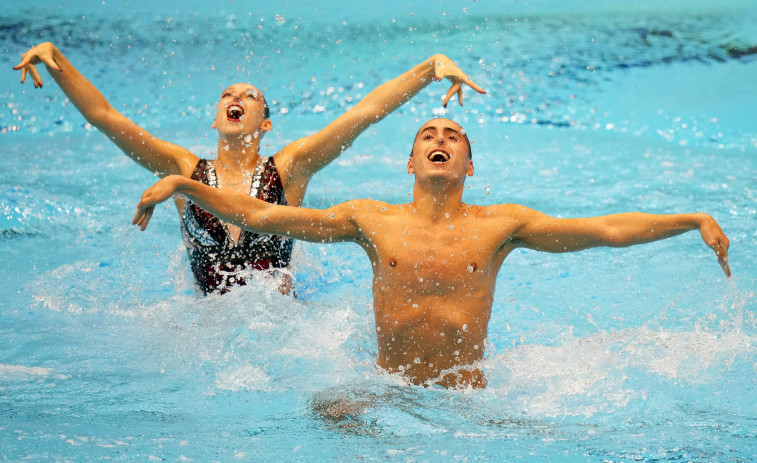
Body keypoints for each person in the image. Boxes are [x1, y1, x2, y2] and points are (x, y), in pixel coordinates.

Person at [133, 118, 731, 389]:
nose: (439, 142)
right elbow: (265, 216)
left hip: (466, 395)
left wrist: (690, 219)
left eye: (452, 138)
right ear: (412, 163)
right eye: (427, 137)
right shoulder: (369, 219)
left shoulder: (502, 225)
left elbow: (604, 230)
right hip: (383, 385)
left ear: (470, 166)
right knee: (329, 412)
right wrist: (185, 185)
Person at [14, 43, 485, 295]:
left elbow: (362, 114)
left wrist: (429, 69)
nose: (236, 99)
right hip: (204, 331)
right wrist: (57, 61)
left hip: (278, 329)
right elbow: (107, 120)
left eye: (250, 96)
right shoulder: (184, 168)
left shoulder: (291, 167)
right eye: (227, 94)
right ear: (216, 116)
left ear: (266, 122)